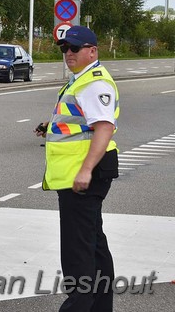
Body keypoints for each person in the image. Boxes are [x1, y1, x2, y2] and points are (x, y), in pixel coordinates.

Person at [35, 25, 119, 312]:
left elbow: (104, 128)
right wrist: (50, 128)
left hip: (83, 176)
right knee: (94, 247)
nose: (68, 53)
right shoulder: (80, 80)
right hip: (84, 174)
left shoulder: (94, 83)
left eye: (75, 48)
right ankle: (99, 307)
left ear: (92, 50)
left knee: (77, 254)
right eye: (64, 49)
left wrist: (85, 170)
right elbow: (81, 122)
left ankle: (79, 306)